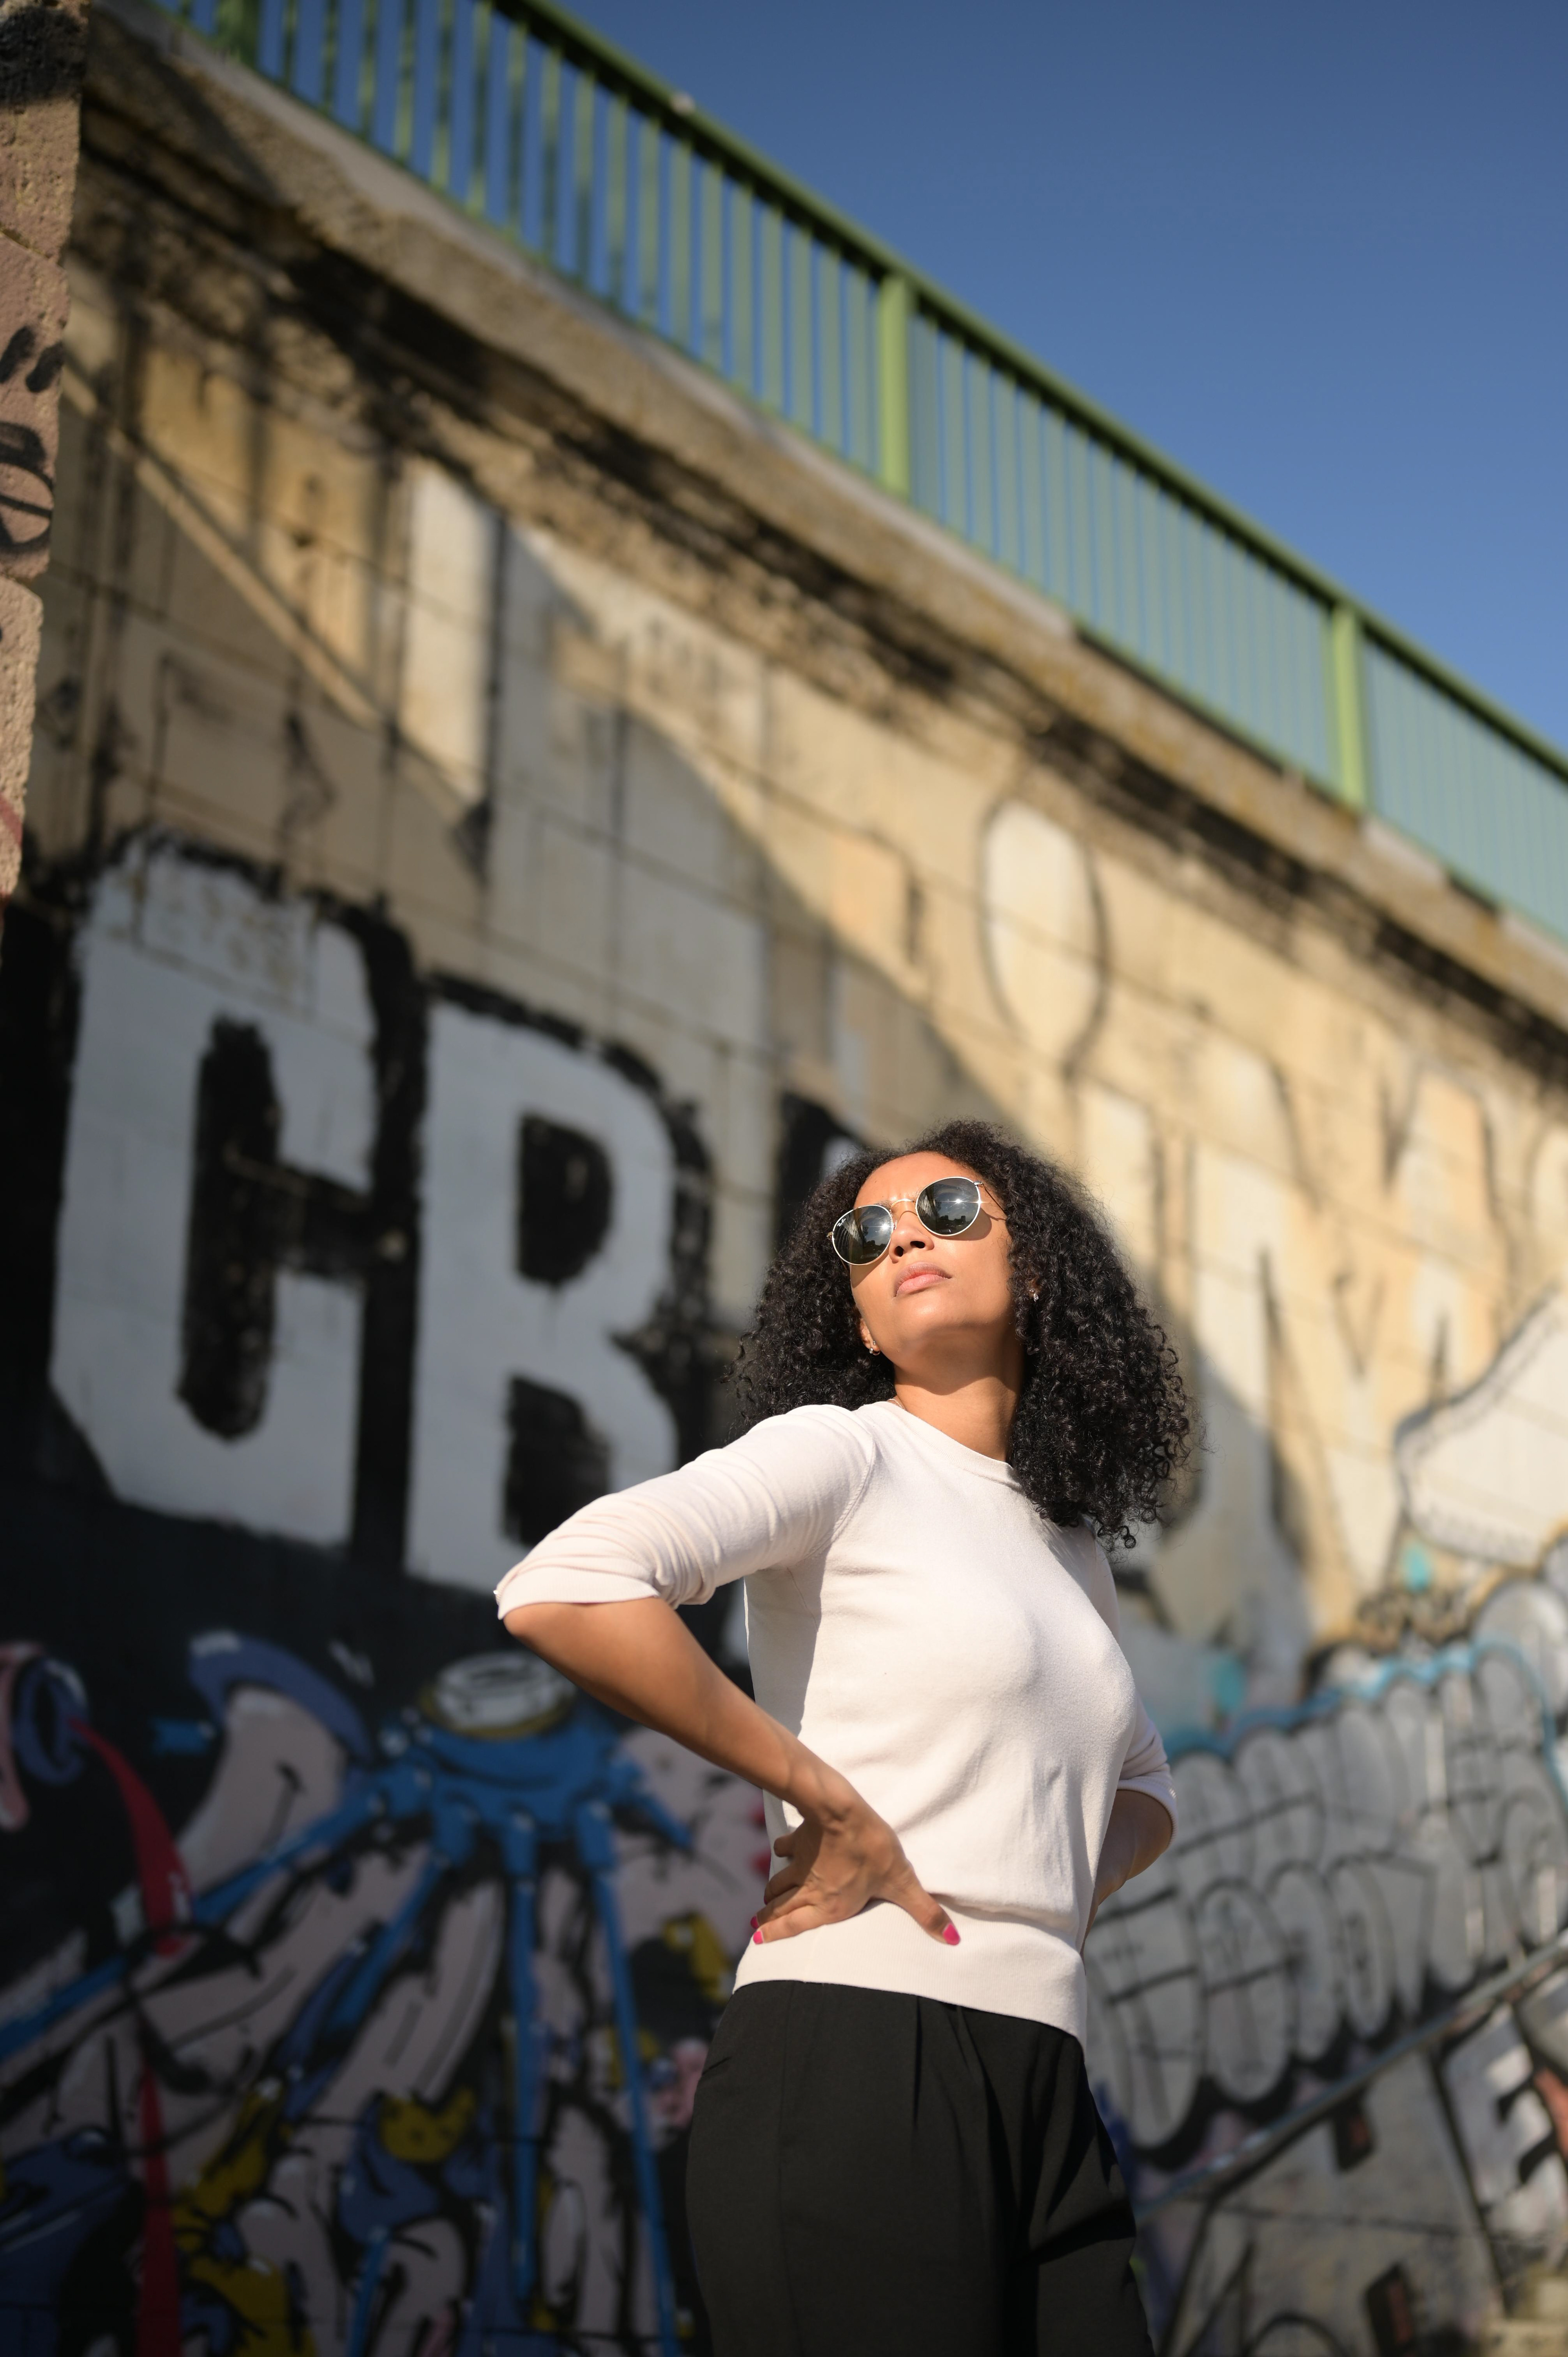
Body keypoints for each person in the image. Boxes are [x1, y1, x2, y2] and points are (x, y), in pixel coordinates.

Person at [497, 1118, 1189, 2355]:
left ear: (1036, 1269)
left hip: (1045, 2073)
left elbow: (1145, 1783)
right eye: (867, 1236)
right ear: (863, 1322)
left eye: (949, 1211)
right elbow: (566, 1584)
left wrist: (1045, 1900)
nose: (905, 1237)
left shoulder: (1070, 1545)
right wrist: (827, 1798)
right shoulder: (844, 1452)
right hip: (857, 2053)